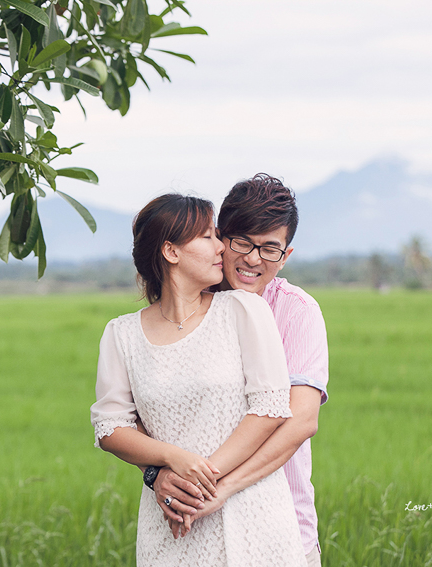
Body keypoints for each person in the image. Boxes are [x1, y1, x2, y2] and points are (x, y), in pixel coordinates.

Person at [91, 193, 307, 567]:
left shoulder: (242, 309)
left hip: (250, 513)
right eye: (208, 236)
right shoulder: (121, 334)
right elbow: (110, 428)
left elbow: (270, 408)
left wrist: (200, 483)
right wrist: (167, 463)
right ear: (171, 252)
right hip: (172, 519)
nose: (221, 247)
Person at [150, 174, 329, 567]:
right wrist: (154, 473)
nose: (252, 259)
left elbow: (300, 422)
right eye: (242, 242)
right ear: (220, 239)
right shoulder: (187, 312)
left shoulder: (296, 312)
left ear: (287, 254)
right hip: (188, 531)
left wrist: (220, 489)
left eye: (269, 249)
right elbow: (156, 410)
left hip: (283, 532)